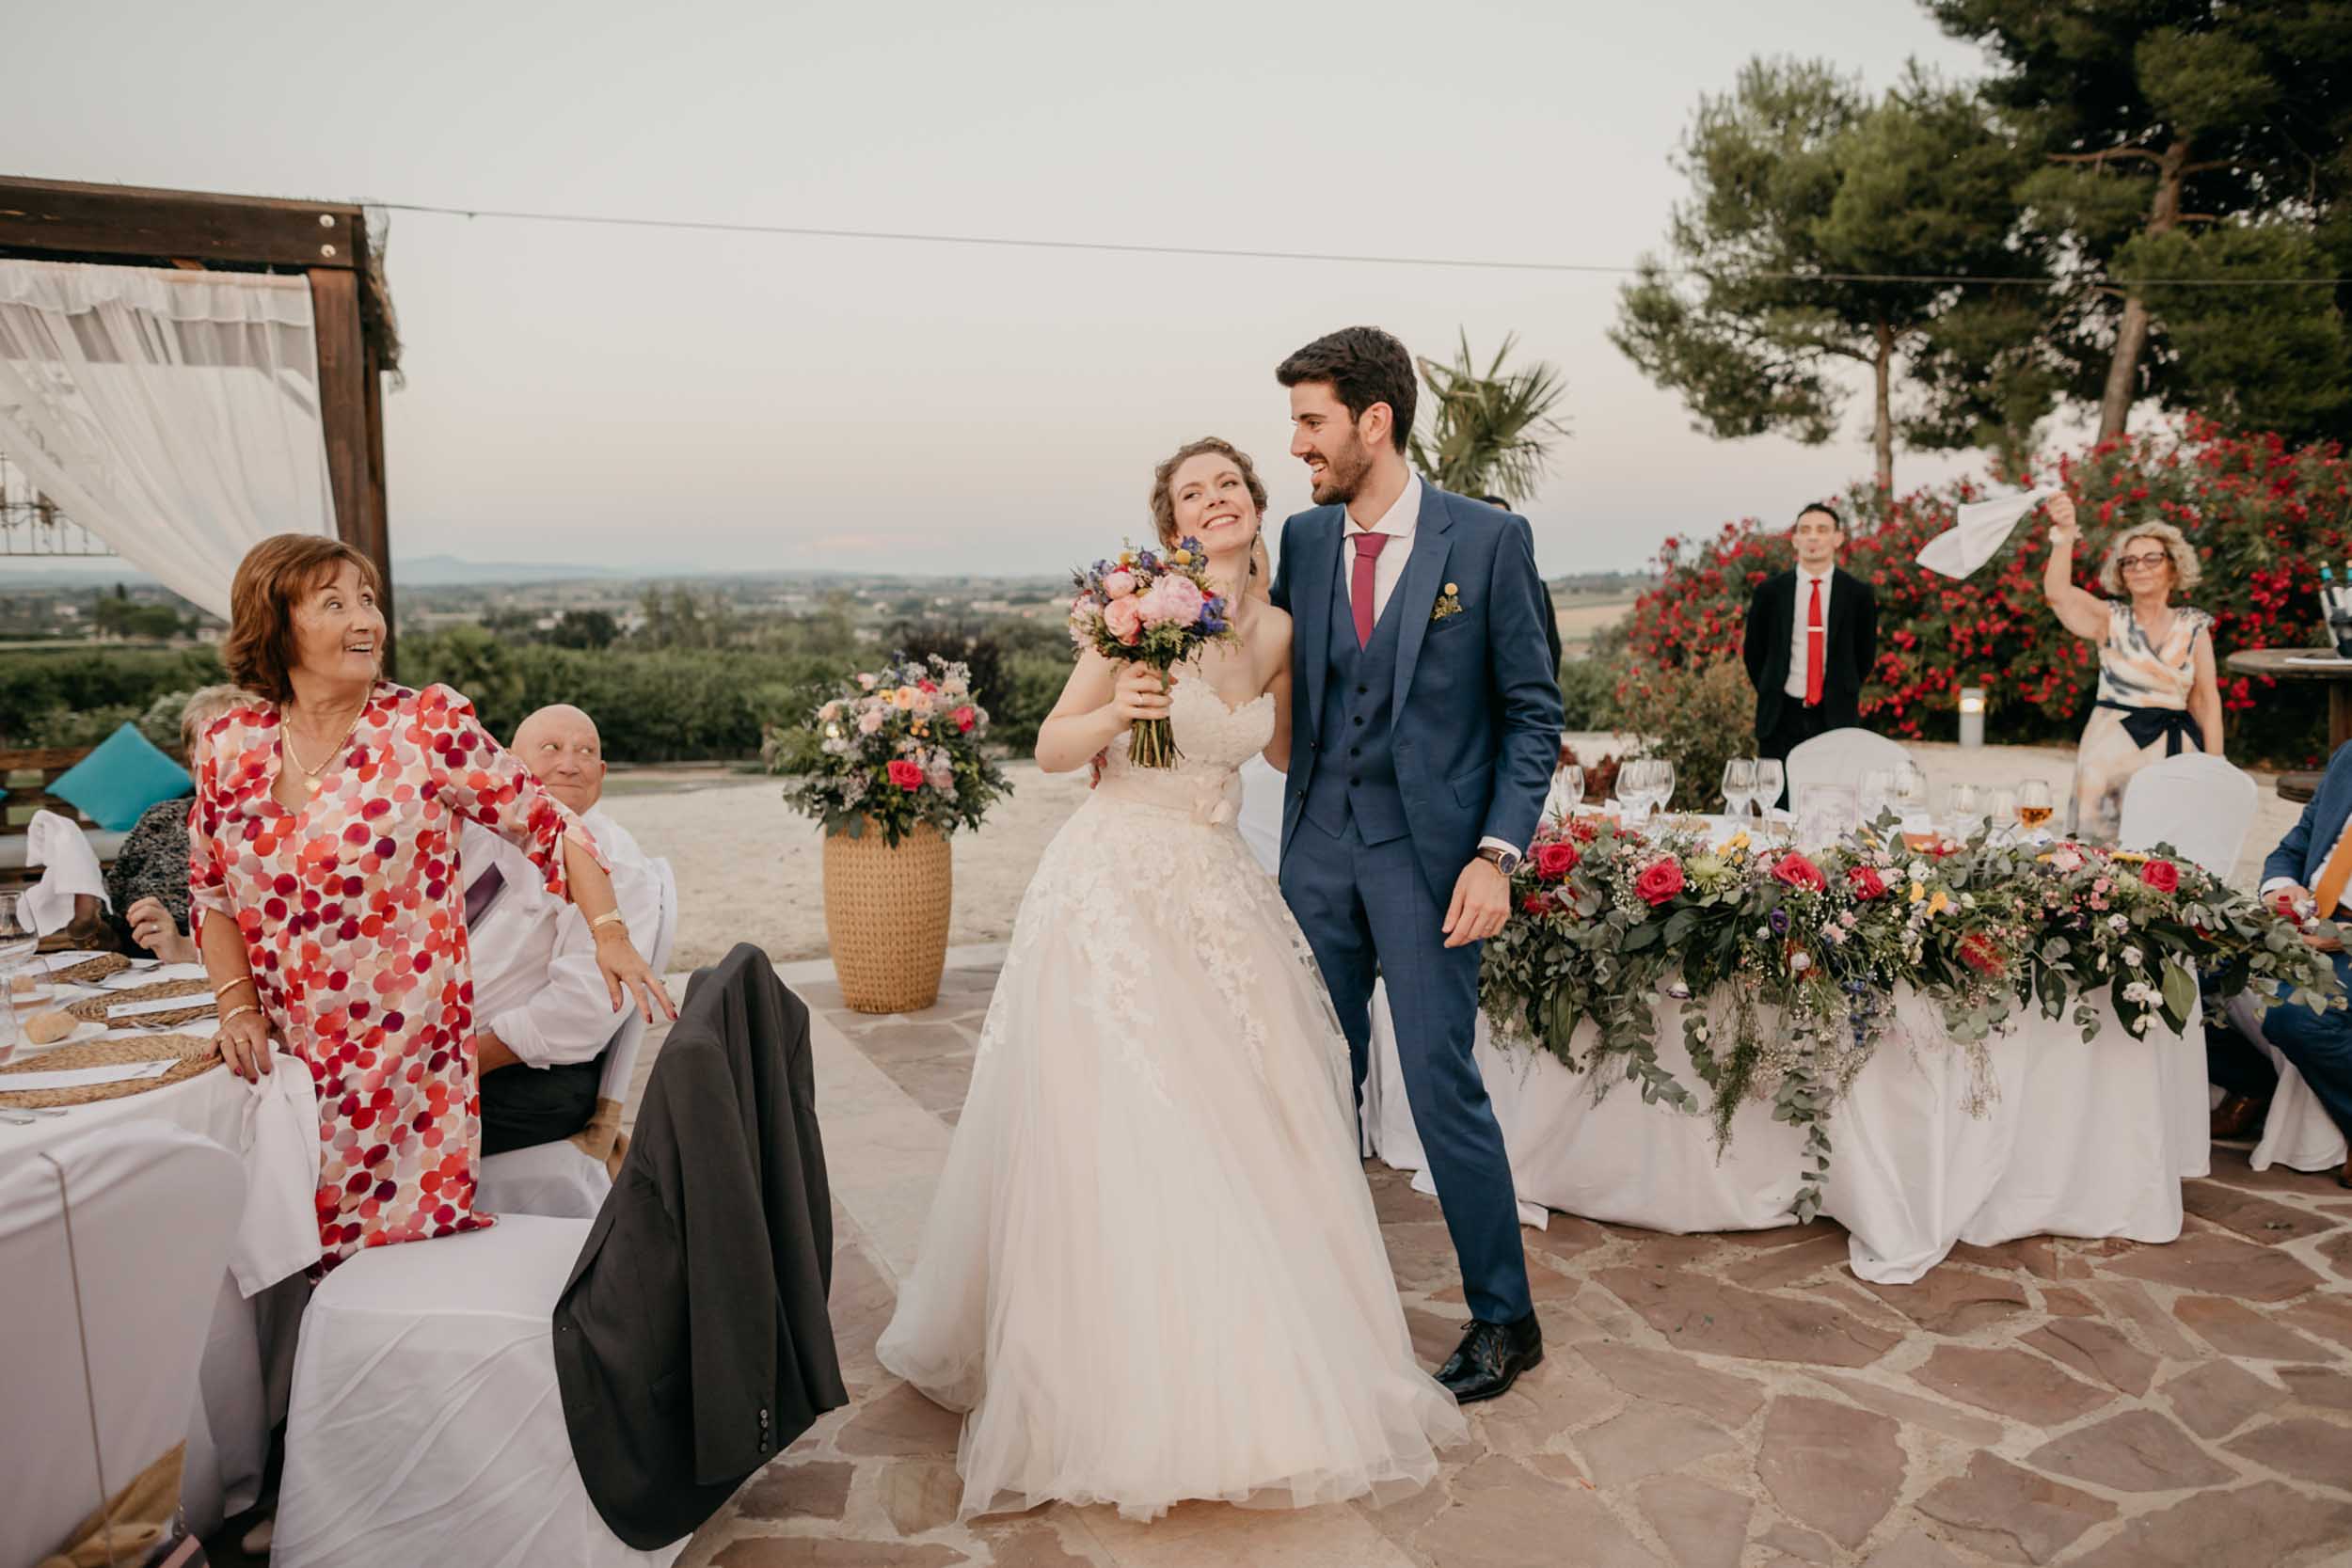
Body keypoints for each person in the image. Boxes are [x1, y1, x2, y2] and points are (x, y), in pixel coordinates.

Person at [877, 436, 1465, 1522]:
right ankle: (1116, 1376)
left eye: (1228, 483)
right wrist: (1122, 709)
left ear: (1255, 504)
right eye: (1193, 492)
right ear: (1173, 526)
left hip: (1219, 884)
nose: (1215, 499)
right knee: (1138, 1115)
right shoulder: (1135, 608)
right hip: (1113, 884)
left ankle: (1257, 1351)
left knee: (1248, 1110)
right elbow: (1053, 747)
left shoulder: (1282, 628)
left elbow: (1288, 750)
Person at [189, 534, 674, 1266]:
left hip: (405, 1072)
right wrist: (237, 1008)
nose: (366, 620)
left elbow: (555, 826)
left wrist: (608, 929)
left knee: (375, 1268)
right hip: (284, 1068)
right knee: (241, 1230)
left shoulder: (422, 728)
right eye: (334, 604)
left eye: (367, 600)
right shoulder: (228, 745)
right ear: (276, 624)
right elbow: (212, 891)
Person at [1270, 326, 1563, 1403]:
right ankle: (1322, 1297)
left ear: (1374, 420)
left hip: (1431, 864)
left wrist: (1496, 854)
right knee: (1313, 1081)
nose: (1297, 445)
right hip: (1316, 853)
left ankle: (1505, 1317)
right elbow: (1274, 681)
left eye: (1312, 421)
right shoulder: (1303, 540)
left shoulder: (1485, 540)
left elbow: (1532, 713)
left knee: (1440, 1086)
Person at [462, 704, 664, 1156]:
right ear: (510, 761)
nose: (569, 765)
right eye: (551, 748)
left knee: (356, 1130)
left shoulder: (615, 862)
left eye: (586, 752)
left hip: (526, 1072)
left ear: (602, 773)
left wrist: (463, 1061)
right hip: (436, 1048)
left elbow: (586, 1007)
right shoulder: (476, 831)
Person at [2209, 738, 2352, 1188]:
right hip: (2304, 917)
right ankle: (2252, 1083)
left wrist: (2343, 936)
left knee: (2299, 1018)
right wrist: (2280, 889)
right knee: (2184, 964)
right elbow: (2294, 847)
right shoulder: (2349, 757)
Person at [2041, 497, 2223, 842]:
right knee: (2098, 859)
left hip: (2174, 758)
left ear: (2173, 567)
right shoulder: (2109, 619)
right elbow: (2058, 594)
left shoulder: (2194, 625)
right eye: (2129, 561)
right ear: (2121, 573)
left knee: (2170, 856)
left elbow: (2205, 701)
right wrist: (2064, 533)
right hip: (2108, 760)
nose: (2140, 567)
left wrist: (2215, 767)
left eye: (2152, 558)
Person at [105, 685, 253, 963]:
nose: (224, 756)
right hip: (137, 977)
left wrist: (184, 949)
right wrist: (86, 922)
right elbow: (112, 928)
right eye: (208, 743)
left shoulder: (275, 835)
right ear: (191, 755)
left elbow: (282, 946)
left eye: (240, 743)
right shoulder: (161, 818)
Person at [1742, 501, 1879, 801]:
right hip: (1780, 715)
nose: (1813, 537)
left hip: (1834, 715)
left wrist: (1842, 689)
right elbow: (1754, 652)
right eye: (1804, 530)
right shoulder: (1770, 592)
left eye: (1822, 530)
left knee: (1831, 804)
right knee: (1777, 803)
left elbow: (1864, 655)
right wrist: (1770, 687)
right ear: (1795, 539)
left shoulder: (1858, 594)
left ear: (1837, 538)